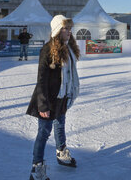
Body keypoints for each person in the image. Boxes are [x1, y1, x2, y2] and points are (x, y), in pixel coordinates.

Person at [26, 15, 80, 180]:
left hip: (62, 97)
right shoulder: (48, 49)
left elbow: (70, 75)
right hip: (48, 99)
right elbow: (41, 79)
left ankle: (61, 153)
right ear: (57, 30)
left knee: (60, 125)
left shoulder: (68, 49)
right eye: (65, 28)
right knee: (43, 132)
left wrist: (70, 94)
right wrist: (42, 105)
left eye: (70, 28)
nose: (69, 32)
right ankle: (37, 169)